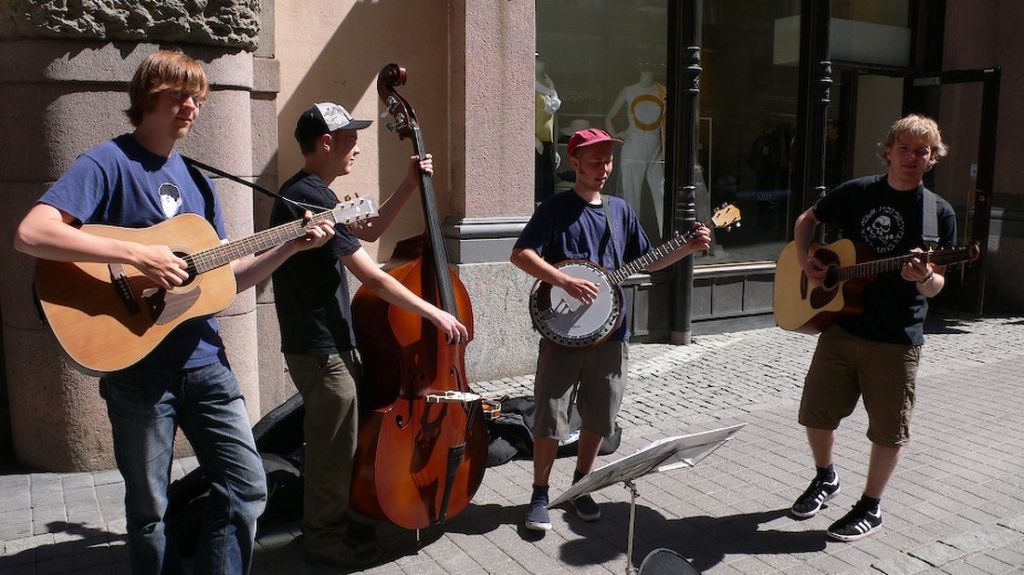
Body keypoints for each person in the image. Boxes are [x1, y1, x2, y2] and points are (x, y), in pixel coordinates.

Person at [13, 50, 335, 574]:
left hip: (206, 364)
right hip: (139, 373)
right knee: (148, 512)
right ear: (148, 97)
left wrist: (291, 247)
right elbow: (32, 233)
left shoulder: (198, 181)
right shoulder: (106, 163)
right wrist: (137, 253)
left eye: (198, 98)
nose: (191, 106)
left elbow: (227, 280)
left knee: (246, 488)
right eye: (179, 95)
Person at [269, 102, 469, 568]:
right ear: (326, 144)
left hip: (327, 343)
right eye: (350, 140)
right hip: (319, 346)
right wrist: (435, 313)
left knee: (342, 441)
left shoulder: (313, 191)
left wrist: (409, 181)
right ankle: (322, 537)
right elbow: (373, 278)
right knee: (332, 447)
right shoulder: (308, 197)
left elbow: (372, 227)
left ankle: (338, 517)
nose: (356, 148)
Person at [511, 128, 710, 531]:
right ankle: (539, 493)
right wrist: (562, 281)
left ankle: (582, 486)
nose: (604, 169)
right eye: (595, 162)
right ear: (575, 163)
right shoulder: (554, 209)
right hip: (563, 333)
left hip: (612, 333)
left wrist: (686, 248)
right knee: (550, 415)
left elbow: (645, 260)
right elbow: (521, 254)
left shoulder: (621, 210)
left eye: (608, 161)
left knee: (600, 417)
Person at [788, 114, 954, 542]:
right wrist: (807, 257)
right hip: (841, 325)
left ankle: (870, 505)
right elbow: (807, 219)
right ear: (888, 151)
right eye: (905, 148)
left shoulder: (938, 214)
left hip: (896, 338)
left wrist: (923, 278)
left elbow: (938, 285)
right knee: (816, 414)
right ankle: (826, 477)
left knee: (887, 429)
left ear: (932, 159)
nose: (912, 157)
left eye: (923, 151)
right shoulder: (858, 192)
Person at [605, 68, 667, 236]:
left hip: (656, 150)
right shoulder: (629, 91)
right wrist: (616, 135)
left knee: (661, 194)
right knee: (631, 198)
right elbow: (609, 118)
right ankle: (630, 239)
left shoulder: (662, 91)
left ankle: (666, 236)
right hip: (633, 147)